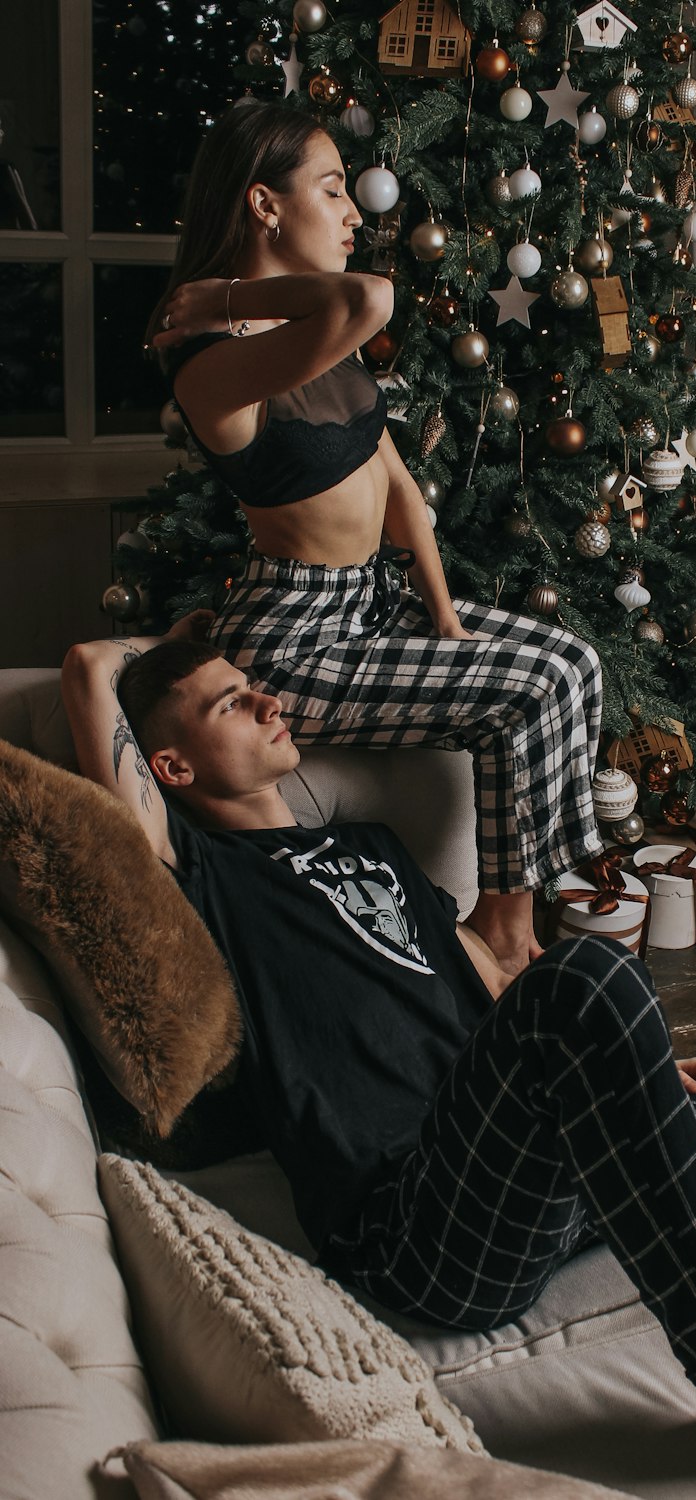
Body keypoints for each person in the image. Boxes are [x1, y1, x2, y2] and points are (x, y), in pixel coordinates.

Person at [61, 625, 696, 1499]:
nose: (269, 704)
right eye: (231, 704)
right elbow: (85, 669)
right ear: (169, 765)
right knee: (584, 972)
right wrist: (166, 643)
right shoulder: (196, 872)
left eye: (257, 688)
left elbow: (496, 996)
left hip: (532, 1167)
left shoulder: (372, 848)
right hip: (417, 1224)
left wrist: (636, 1073)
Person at [144, 99, 603, 980]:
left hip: (376, 603)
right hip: (295, 636)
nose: (356, 213)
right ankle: (507, 936)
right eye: (330, 190)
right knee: (536, 684)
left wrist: (445, 617)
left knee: (574, 663)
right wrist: (233, 293)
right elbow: (369, 298)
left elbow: (396, 483)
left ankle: (516, 922)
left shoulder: (314, 343)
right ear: (263, 205)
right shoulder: (212, 360)